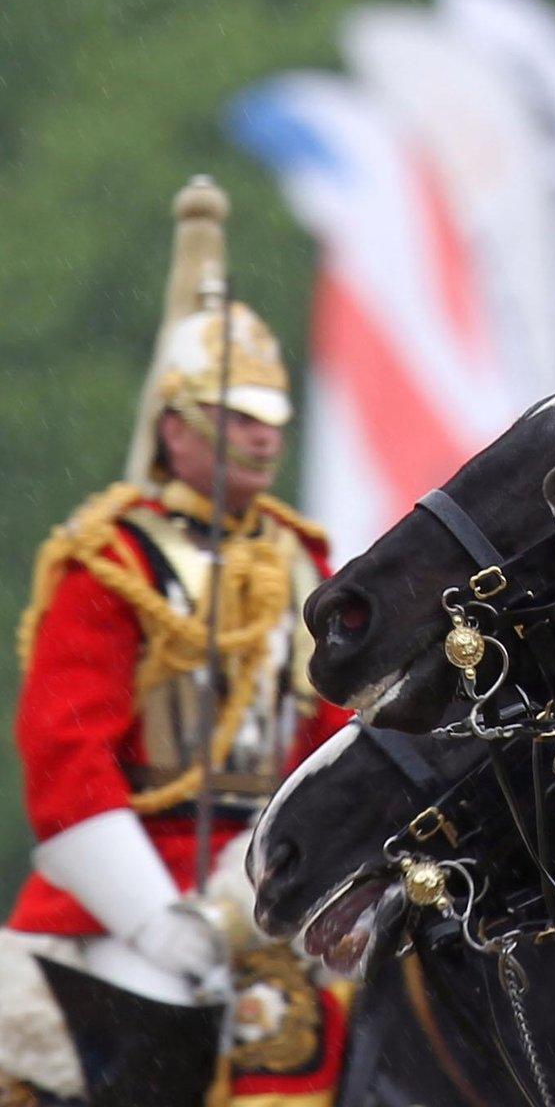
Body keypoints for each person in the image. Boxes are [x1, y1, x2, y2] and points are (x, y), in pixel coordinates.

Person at [0, 177, 350, 1107]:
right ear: (176, 425)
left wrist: (301, 869)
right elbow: (65, 753)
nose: (262, 439)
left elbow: (328, 736)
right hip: (128, 885)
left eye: (272, 420)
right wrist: (153, 921)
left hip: (274, 866)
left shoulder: (301, 557)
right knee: (132, 1048)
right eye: (239, 417)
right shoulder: (107, 562)